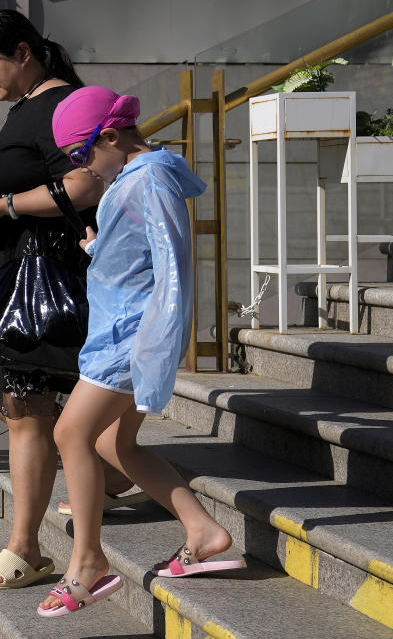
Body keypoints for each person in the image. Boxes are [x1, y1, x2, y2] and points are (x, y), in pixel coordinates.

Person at [37, 87, 245, 617]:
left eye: (81, 157)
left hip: (129, 335)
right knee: (112, 445)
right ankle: (203, 532)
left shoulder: (147, 179)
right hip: (125, 330)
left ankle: (87, 563)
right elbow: (143, 254)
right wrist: (98, 247)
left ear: (109, 136)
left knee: (70, 433)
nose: (83, 170)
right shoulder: (139, 177)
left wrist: (156, 346)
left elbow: (173, 264)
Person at [0, 9, 136, 589]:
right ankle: (107, 469)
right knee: (10, 404)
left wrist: (5, 207)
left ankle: (26, 548)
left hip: (37, 275)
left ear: (24, 52)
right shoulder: (30, 107)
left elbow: (86, 181)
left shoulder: (59, 105)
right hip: (11, 275)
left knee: (25, 411)